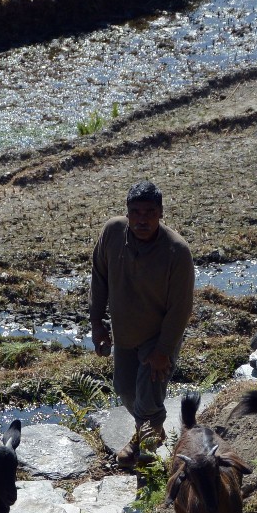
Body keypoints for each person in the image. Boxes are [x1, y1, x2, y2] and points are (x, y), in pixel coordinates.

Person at [89, 181, 194, 464]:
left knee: (148, 398)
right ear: (127, 213)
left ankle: (144, 450)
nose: (142, 219)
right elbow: (99, 276)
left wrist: (164, 350)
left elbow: (180, 308)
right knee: (124, 388)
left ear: (161, 213)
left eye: (149, 212)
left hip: (160, 337)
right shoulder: (113, 232)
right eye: (135, 212)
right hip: (125, 333)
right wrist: (97, 323)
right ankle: (150, 433)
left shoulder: (176, 251)